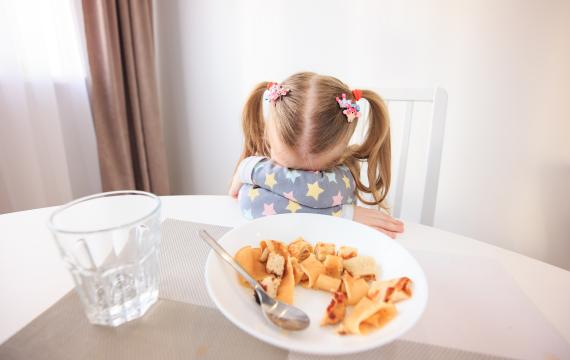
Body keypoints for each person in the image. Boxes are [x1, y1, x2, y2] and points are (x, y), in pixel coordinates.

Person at [229, 72, 404, 238]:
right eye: (289, 169)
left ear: (342, 152)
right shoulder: (258, 167)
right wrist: (342, 214)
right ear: (268, 135)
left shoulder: (344, 175)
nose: (301, 179)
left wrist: (250, 168)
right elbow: (248, 204)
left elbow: (251, 203)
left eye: (317, 174)